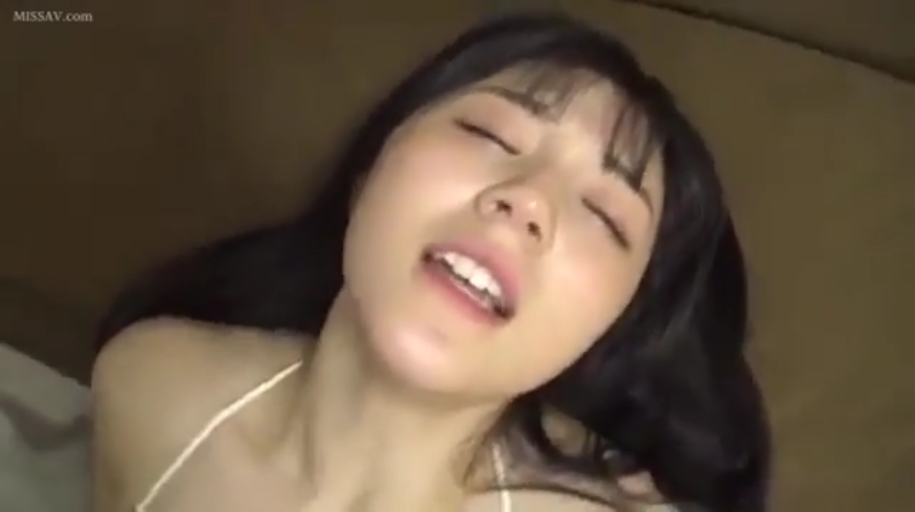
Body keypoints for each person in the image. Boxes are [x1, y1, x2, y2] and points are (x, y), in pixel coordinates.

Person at [90, 11, 771, 512]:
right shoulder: (149, 386)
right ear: (370, 168)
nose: (528, 200)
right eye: (488, 132)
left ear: (611, 327)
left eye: (604, 214)